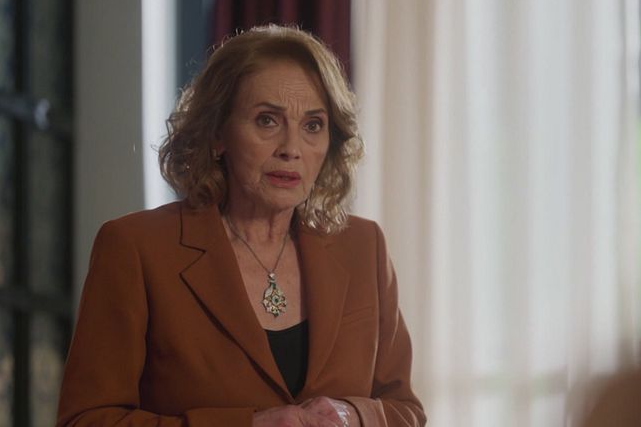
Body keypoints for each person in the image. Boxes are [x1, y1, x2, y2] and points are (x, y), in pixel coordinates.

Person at [56, 25, 425, 427]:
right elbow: (85, 421)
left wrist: (351, 414)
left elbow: (405, 410)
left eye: (313, 125)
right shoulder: (136, 248)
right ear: (217, 133)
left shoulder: (364, 247)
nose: (291, 149)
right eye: (267, 120)